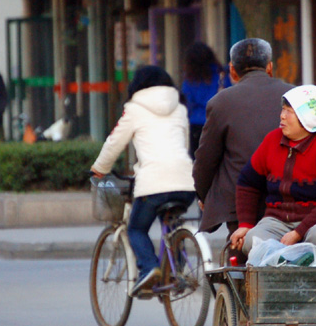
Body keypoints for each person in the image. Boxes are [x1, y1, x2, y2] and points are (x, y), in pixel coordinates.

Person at [91, 66, 195, 297]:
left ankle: (149, 268)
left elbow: (114, 142)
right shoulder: (179, 108)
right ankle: (176, 270)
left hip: (154, 182)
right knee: (171, 221)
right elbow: (184, 145)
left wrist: (99, 168)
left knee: (136, 228)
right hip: (186, 182)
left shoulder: (135, 109)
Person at [230, 84, 316, 257]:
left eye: (289, 111)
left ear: (309, 116)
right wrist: (245, 224)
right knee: (253, 240)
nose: (282, 116)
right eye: (282, 110)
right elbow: (247, 182)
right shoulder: (272, 140)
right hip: (278, 221)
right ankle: (281, 281)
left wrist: (298, 233)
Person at [193, 38, 292, 236]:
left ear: (232, 70)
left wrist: (204, 195)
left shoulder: (221, 102)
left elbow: (206, 159)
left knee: (241, 261)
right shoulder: (294, 95)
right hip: (289, 196)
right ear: (270, 67)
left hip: (239, 203)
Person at [181, 42, 231, 159]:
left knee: (199, 163)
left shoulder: (190, 80)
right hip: (220, 123)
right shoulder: (222, 76)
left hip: (197, 126)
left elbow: (188, 104)